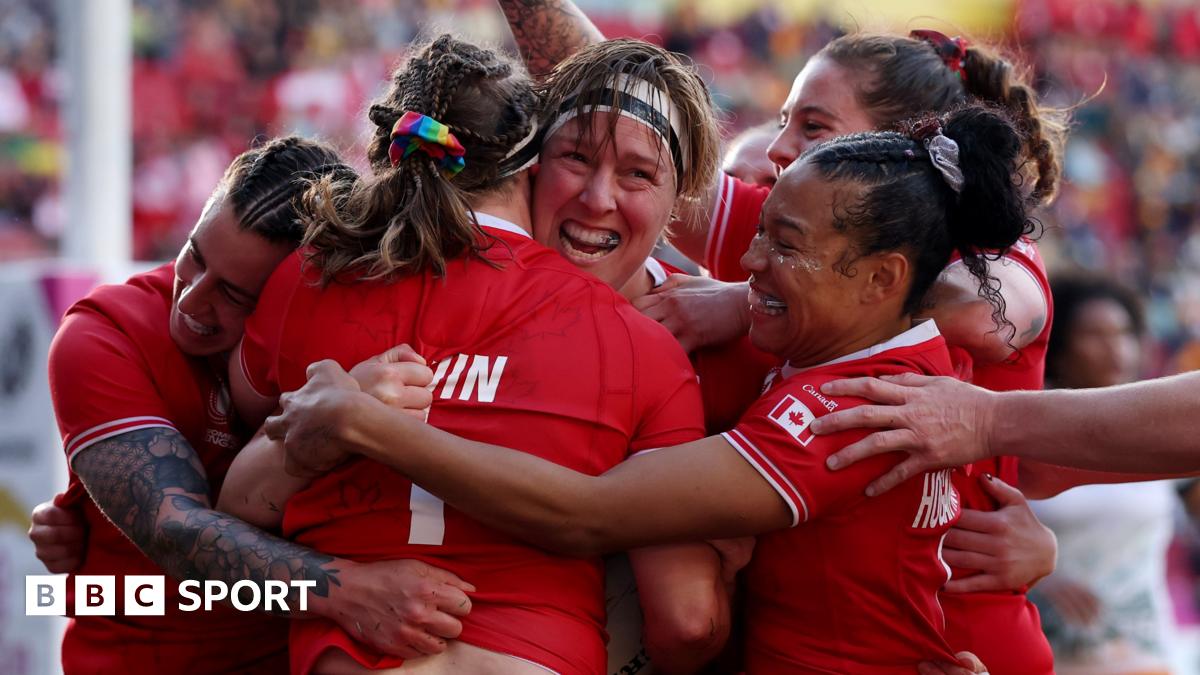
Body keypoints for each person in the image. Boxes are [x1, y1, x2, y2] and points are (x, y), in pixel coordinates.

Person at [263, 105, 1027, 674]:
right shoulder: (876, 353)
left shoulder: (850, 406)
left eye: (783, 243)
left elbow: (585, 514)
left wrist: (364, 423)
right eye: (760, 227)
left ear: (882, 278)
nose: (748, 259)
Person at [494, 7, 1066, 671]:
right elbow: (631, 114)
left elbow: (991, 321)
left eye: (814, 127)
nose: (777, 148)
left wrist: (746, 299)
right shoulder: (797, 246)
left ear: (902, 147)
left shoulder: (946, 280)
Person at [220, 35, 726, 675]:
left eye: (637, 172)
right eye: (576, 157)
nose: (598, 197)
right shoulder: (647, 349)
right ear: (533, 162)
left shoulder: (312, 273)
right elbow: (688, 621)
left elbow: (227, 491)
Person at [41, 137, 472, 674]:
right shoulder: (106, 334)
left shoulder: (365, 350)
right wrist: (349, 591)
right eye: (193, 257)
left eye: (235, 296)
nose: (192, 300)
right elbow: (176, 532)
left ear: (302, 294)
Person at [1029, 276, 1181, 674]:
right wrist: (1035, 581)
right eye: (1094, 334)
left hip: (1145, 650)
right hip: (1047, 646)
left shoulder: (1161, 429)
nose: (1116, 348)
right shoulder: (1021, 430)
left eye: (1125, 332)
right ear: (1058, 349)